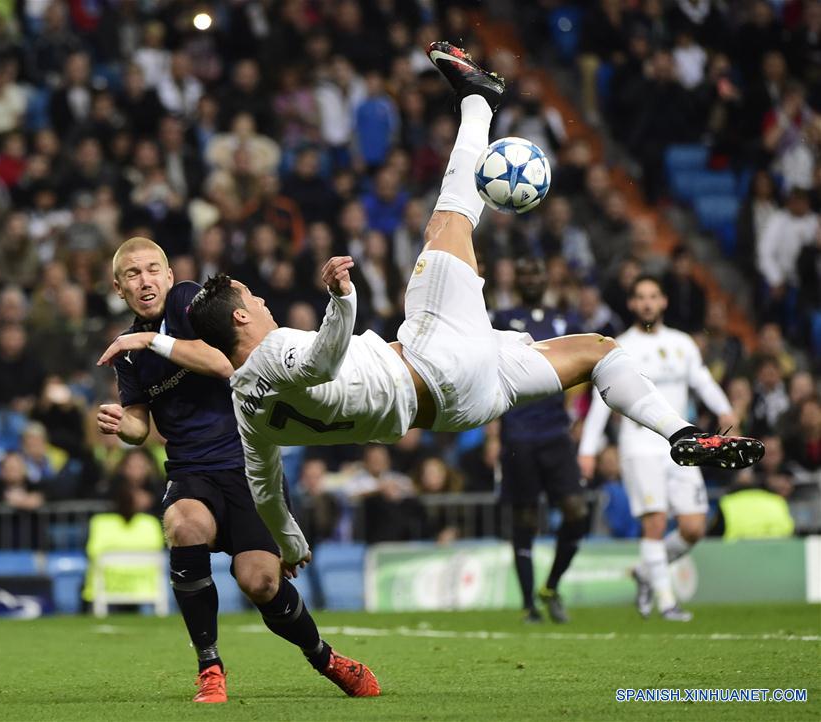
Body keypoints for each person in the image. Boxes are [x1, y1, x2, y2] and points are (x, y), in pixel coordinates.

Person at [167, 42, 761, 585]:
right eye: (255, 300)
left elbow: (267, 491)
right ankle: (479, 99)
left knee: (600, 351)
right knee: (450, 219)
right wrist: (342, 299)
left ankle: (683, 436)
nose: (265, 302)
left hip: (461, 408)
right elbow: (321, 362)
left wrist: (290, 541)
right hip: (434, 358)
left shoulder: (249, 413)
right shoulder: (273, 354)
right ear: (241, 321)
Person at [95, 237, 379, 704]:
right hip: (191, 469)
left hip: (249, 461)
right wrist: (119, 423)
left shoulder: (190, 302)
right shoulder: (127, 353)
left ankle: (325, 657)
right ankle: (210, 667)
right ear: (118, 286)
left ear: (168, 276)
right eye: (132, 274)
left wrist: (150, 339)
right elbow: (138, 425)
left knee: (261, 582)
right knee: (185, 525)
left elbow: (224, 362)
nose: (144, 280)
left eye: (152, 270)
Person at [578, 275, 739, 621]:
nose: (648, 303)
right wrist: (588, 450)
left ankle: (645, 572)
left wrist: (726, 410)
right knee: (654, 523)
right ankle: (667, 603)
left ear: (664, 301)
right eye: (641, 297)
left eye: (653, 296)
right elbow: (598, 403)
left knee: (694, 527)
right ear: (632, 304)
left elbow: (702, 381)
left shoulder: (683, 344)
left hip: (682, 445)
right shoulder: (617, 347)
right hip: (639, 446)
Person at [491, 258, 588, 624]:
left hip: (555, 433)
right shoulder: (501, 320)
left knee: (577, 511)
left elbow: (585, 365)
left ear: (546, 279)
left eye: (537, 272)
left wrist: (575, 413)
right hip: (517, 432)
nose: (532, 277)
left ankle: (551, 585)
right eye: (526, 273)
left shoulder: (563, 322)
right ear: (517, 280)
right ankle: (529, 604)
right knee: (525, 518)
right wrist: (490, 432)